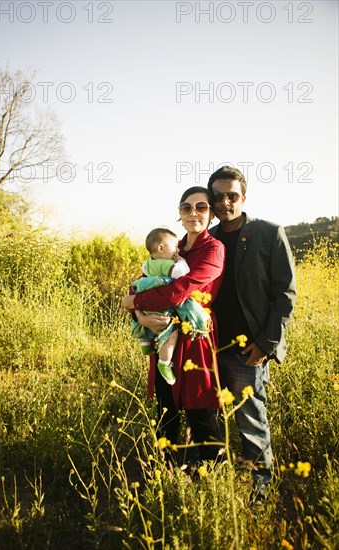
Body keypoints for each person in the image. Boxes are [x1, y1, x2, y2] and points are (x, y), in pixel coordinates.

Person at [207, 165, 296, 499]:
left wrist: (265, 344)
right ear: (212, 200)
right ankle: (213, 486)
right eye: (219, 196)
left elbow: (285, 294)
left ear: (243, 197)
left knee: (251, 422)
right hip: (209, 347)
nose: (226, 202)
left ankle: (259, 493)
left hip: (249, 350)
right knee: (208, 418)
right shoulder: (206, 238)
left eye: (233, 195)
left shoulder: (269, 233)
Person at [122, 186, 225, 463]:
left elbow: (181, 290)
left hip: (194, 335)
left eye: (201, 207)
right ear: (179, 213)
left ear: (211, 213)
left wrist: (133, 303)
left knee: (199, 406)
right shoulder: (171, 247)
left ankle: (212, 471)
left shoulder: (213, 249)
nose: (194, 213)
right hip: (163, 332)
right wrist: (139, 315)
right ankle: (167, 468)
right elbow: (144, 282)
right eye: (187, 207)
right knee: (166, 408)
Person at [130, 227, 211, 386]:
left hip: (146, 303)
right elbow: (181, 273)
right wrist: (180, 260)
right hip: (162, 306)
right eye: (174, 246)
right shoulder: (166, 264)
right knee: (171, 333)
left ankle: (145, 342)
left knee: (146, 322)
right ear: (161, 248)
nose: (177, 249)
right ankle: (164, 362)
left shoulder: (147, 264)